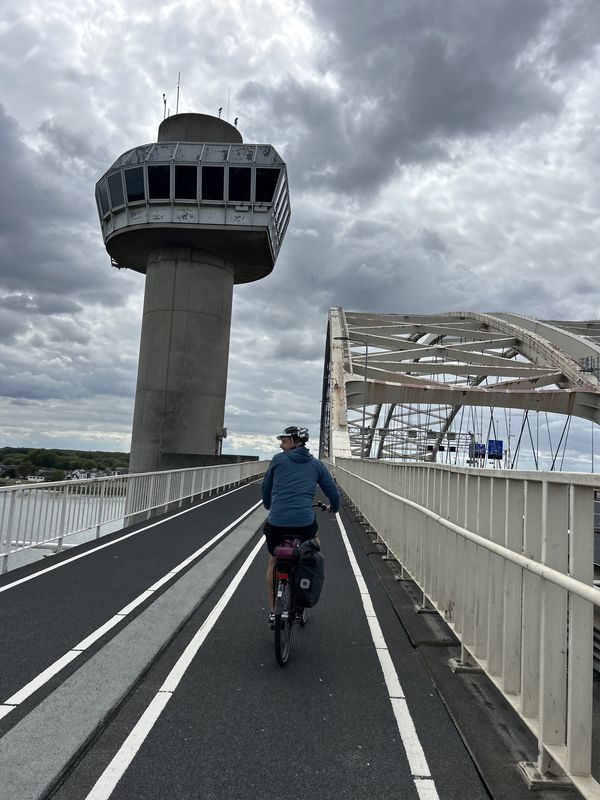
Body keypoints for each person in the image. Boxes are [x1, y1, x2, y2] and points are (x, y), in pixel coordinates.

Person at [261, 425, 340, 624]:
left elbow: (266, 487)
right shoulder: (316, 465)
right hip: (304, 523)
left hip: (276, 522)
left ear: (296, 442)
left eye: (284, 441)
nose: (281, 445)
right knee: (314, 547)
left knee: (274, 560)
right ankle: (304, 588)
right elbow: (333, 492)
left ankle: (272, 610)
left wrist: (269, 505)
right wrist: (334, 508)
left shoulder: (278, 460)